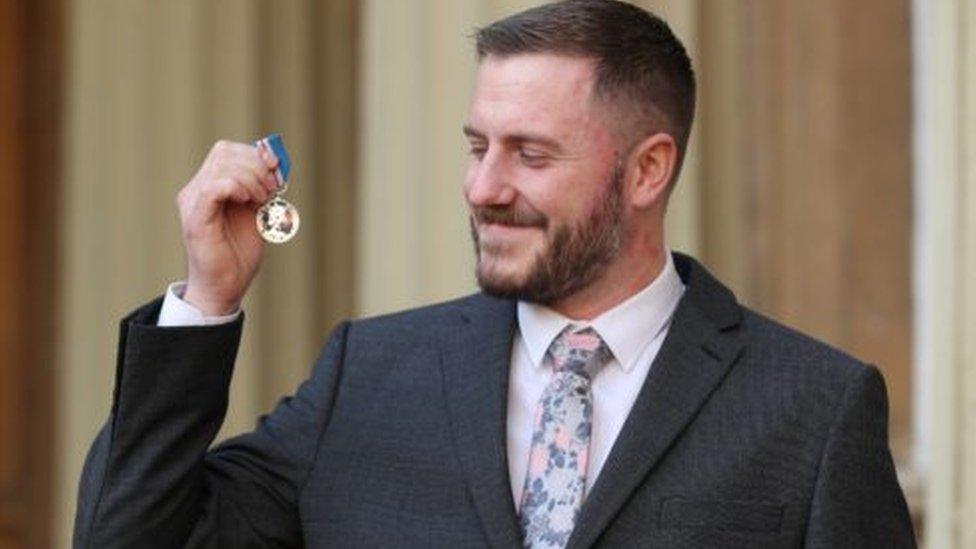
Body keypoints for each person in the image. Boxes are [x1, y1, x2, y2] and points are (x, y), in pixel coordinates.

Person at [74, 1, 915, 547]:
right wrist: (207, 300)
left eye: (530, 154)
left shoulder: (812, 408)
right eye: (477, 147)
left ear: (647, 169)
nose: (483, 188)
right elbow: (126, 537)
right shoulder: (366, 378)